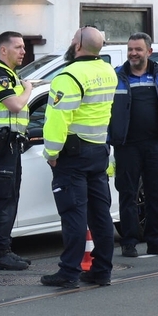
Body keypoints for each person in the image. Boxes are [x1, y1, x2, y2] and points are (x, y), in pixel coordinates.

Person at [39, 27, 118, 289]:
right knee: (100, 214)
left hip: (73, 154)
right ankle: (102, 270)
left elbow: (58, 119)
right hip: (98, 151)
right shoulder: (108, 72)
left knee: (73, 214)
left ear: (78, 47)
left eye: (73, 40)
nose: (71, 43)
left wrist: (51, 152)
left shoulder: (68, 76)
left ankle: (69, 272)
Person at [108, 33, 158, 258]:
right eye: (130, 49)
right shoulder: (117, 76)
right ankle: (129, 242)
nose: (133, 53)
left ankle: (155, 241)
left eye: (138, 49)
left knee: (156, 193)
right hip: (126, 145)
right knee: (127, 194)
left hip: (154, 145)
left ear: (149, 51)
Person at [0, 31, 34, 271]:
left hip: (11, 143)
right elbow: (15, 104)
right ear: (3, 50)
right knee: (3, 198)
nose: (23, 51)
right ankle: (0, 252)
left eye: (23, 47)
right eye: (18, 47)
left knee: (10, 196)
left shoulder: (11, 75)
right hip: (1, 143)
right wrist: (29, 88)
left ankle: (5, 249)